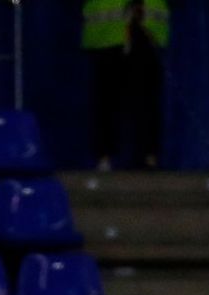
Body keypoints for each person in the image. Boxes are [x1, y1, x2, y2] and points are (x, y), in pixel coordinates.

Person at [83, 0, 168, 171]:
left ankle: (149, 157)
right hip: (107, 38)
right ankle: (104, 157)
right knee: (106, 102)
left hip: (146, 35)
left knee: (146, 102)